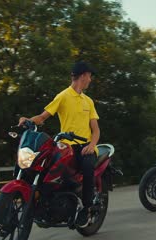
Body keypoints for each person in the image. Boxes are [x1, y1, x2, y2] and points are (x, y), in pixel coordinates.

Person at [18, 61, 100, 228]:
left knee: (87, 167)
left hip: (85, 147)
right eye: (89, 76)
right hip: (65, 146)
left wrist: (92, 145)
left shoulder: (88, 101)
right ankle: (47, 205)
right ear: (83, 76)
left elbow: (96, 130)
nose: (90, 80)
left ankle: (87, 209)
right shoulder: (63, 96)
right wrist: (27, 120)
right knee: (47, 168)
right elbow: (41, 118)